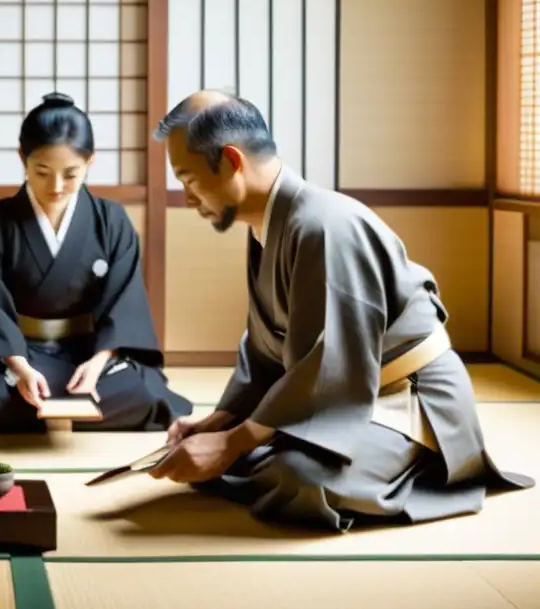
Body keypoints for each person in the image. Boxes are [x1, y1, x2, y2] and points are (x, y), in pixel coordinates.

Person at [148, 90, 534, 531]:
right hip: (344, 392)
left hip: (406, 399)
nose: (187, 198)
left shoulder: (323, 225)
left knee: (298, 476)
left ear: (232, 162)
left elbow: (330, 362)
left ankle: (423, 465)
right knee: (241, 457)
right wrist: (221, 422)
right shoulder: (269, 227)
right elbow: (265, 349)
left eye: (189, 180)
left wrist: (233, 442)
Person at [0, 92, 192, 433]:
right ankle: (52, 400)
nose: (56, 187)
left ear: (90, 162)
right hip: (16, 353)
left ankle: (65, 399)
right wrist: (22, 367)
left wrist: (100, 362)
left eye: (70, 174)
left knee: (146, 395)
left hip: (87, 353)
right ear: (22, 159)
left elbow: (124, 305)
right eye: (42, 172)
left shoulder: (111, 221)